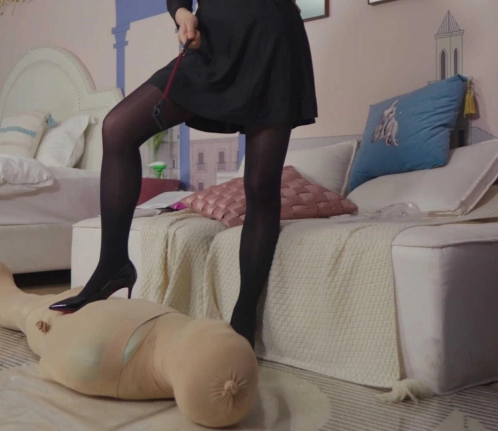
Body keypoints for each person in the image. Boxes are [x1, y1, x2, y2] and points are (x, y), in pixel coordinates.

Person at [50, 0, 318, 348]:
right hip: (213, 42)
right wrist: (182, 14)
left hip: (273, 39)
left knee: (261, 185)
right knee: (117, 128)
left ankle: (243, 320)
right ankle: (113, 264)